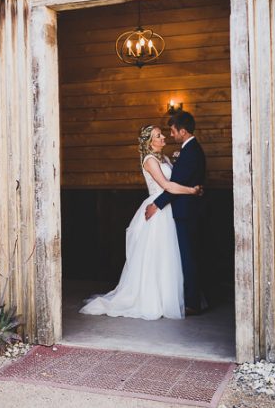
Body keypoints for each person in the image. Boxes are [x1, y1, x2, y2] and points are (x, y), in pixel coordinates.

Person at [79, 125, 202, 320]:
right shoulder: (149, 161)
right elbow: (167, 186)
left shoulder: (166, 159)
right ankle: (151, 299)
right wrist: (192, 191)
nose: (163, 137)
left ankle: (167, 298)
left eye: (162, 134)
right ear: (149, 142)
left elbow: (175, 179)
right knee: (154, 255)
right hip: (157, 210)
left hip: (169, 210)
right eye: (158, 135)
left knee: (168, 255)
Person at [145, 111, 206, 315]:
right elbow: (176, 182)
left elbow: (174, 184)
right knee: (181, 256)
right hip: (180, 210)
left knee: (188, 257)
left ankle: (192, 303)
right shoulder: (185, 151)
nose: (169, 135)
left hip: (184, 211)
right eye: (162, 134)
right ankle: (184, 298)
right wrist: (193, 189)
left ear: (183, 131)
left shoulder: (190, 152)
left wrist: (157, 204)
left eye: (172, 131)